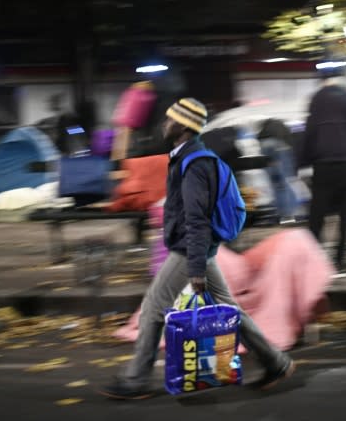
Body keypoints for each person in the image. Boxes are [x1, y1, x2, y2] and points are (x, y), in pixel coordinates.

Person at [99, 97, 295, 400]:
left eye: (169, 119)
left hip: (188, 250)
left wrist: (195, 268)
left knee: (153, 307)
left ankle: (136, 380)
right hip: (195, 248)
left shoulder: (195, 164)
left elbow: (197, 219)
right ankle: (276, 362)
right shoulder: (187, 157)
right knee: (230, 310)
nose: (164, 124)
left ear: (182, 126)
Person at [300, 75, 346, 271]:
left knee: (318, 213)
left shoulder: (317, 99)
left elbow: (310, 132)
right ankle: (340, 259)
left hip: (324, 164)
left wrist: (303, 163)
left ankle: (313, 259)